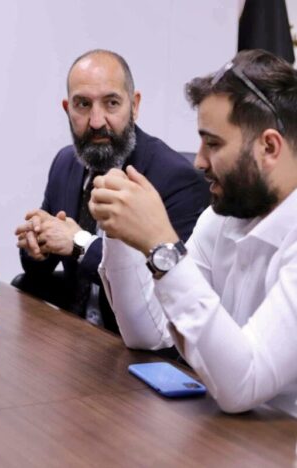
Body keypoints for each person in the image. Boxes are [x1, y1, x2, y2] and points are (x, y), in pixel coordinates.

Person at [92, 49, 297, 416]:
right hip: (238, 435)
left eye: (213, 143)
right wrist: (121, 229)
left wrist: (162, 247)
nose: (199, 161)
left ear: (268, 147)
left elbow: (244, 384)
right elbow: (149, 334)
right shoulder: (224, 217)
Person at [14, 50, 209, 332]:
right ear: (67, 109)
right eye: (83, 104)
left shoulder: (175, 179)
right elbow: (38, 266)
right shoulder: (64, 163)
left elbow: (166, 288)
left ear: (135, 105)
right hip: (74, 335)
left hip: (136, 344)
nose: (96, 121)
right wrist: (37, 244)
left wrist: (79, 244)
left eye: (111, 103)